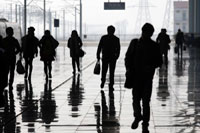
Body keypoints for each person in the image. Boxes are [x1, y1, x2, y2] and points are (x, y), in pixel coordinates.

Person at [125, 23, 162, 133]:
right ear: (143, 32)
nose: (149, 35)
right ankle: (137, 116)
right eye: (147, 33)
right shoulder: (134, 43)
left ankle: (145, 122)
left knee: (146, 101)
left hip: (147, 78)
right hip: (136, 77)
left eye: (150, 34)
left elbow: (159, 61)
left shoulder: (154, 45)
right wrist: (128, 69)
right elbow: (128, 57)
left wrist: (151, 67)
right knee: (136, 99)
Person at [96, 25, 120, 91]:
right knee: (111, 72)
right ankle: (111, 85)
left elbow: (99, 47)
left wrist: (98, 55)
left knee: (104, 71)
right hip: (112, 57)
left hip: (105, 57)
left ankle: (103, 81)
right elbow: (118, 49)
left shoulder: (104, 38)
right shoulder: (116, 39)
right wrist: (117, 56)